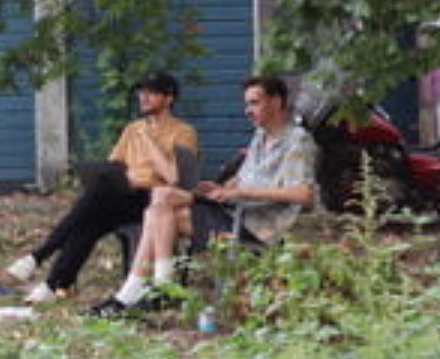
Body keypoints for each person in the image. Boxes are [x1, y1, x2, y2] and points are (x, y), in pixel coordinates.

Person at [90, 75, 316, 315]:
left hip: (253, 225)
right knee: (160, 200)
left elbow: (304, 194)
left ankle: (139, 293)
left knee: (159, 208)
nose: (247, 110)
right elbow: (243, 178)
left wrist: (239, 192)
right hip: (231, 209)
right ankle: (155, 289)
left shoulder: (297, 141)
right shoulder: (261, 137)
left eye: (254, 103)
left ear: (277, 102)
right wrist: (218, 187)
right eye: (247, 104)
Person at [5, 71, 199, 303]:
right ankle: (53, 284)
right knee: (91, 218)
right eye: (142, 92)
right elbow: (113, 166)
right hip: (124, 195)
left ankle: (40, 256)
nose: (143, 98)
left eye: (152, 93)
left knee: (92, 204)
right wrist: (124, 175)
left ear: (169, 99)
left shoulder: (184, 132)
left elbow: (175, 178)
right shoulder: (132, 129)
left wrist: (148, 140)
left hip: (156, 200)